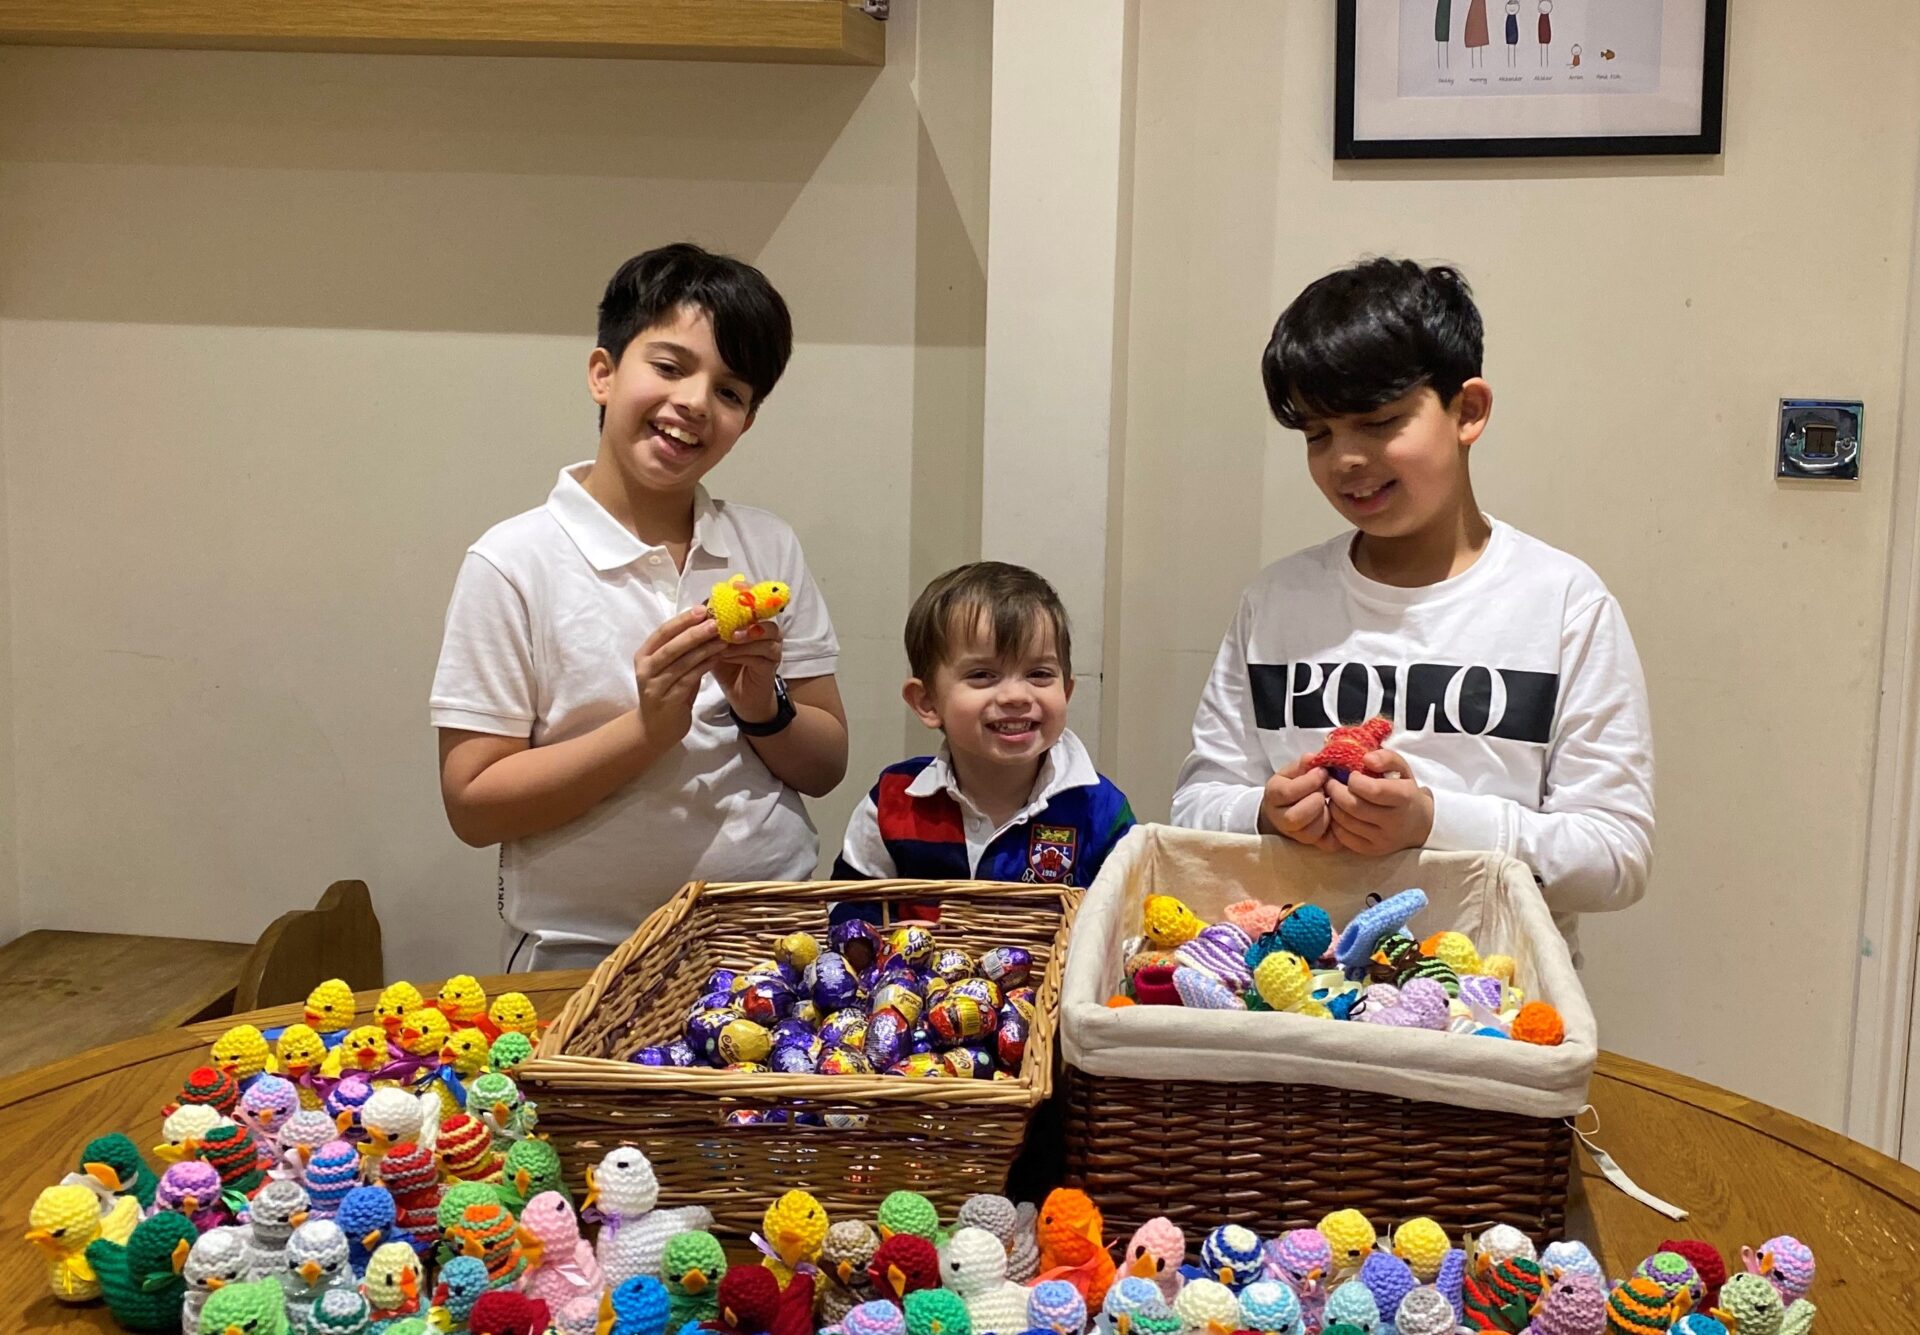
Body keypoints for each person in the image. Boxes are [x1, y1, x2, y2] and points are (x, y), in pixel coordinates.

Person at [1170, 258, 1654, 959]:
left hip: (1492, 1014)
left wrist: (1434, 820)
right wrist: (1264, 811)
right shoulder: (1275, 602)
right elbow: (1194, 806)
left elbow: (1618, 855)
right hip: (1287, 1008)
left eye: (1379, 421)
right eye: (1318, 434)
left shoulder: (1563, 605)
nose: (1345, 460)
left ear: (1469, 410)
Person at [431, 243, 848, 970]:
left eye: (730, 391)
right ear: (603, 373)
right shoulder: (513, 562)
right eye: (670, 366)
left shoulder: (766, 544)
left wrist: (762, 707)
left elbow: (825, 763)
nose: (694, 402)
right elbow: (473, 803)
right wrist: (649, 729)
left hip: (770, 931)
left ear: (745, 422)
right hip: (584, 952)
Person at [832, 562, 1134, 919]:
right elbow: (847, 919)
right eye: (982, 675)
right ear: (927, 702)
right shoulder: (892, 802)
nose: (1015, 696)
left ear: (1066, 692)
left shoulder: (1100, 809)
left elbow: (1125, 929)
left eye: (1039, 674)